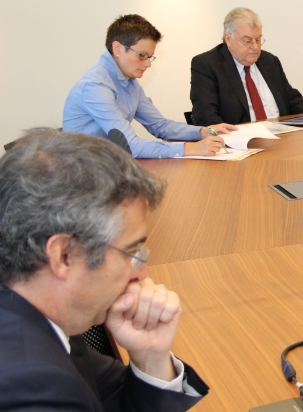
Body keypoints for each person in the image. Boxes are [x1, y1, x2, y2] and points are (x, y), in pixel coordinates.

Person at [0, 128, 209, 410]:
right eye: (131, 252)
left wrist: (150, 356)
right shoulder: (31, 385)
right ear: (64, 255)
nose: (141, 274)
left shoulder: (39, 317)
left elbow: (112, 401)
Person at [64, 14, 234, 159]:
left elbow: (159, 126)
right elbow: (129, 145)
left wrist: (201, 132)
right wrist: (191, 148)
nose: (148, 64)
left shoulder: (129, 81)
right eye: (142, 56)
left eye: (150, 57)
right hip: (84, 174)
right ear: (117, 48)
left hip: (109, 164)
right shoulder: (95, 86)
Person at [190, 7, 303, 126]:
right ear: (228, 39)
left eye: (258, 40)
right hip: (240, 136)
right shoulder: (207, 65)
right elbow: (206, 116)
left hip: (283, 133)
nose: (255, 47)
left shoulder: (269, 61)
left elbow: (292, 99)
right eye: (247, 41)